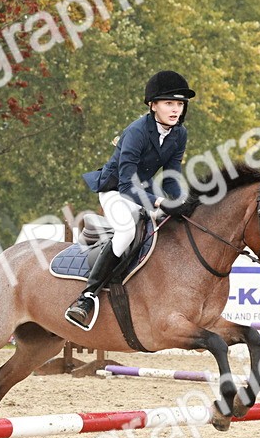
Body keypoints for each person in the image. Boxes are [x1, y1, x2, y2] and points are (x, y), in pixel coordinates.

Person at [65, 70, 195, 329]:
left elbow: (170, 176)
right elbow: (126, 185)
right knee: (125, 231)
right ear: (153, 105)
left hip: (145, 191)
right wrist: (159, 203)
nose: (175, 110)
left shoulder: (179, 134)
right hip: (116, 191)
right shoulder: (136, 132)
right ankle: (87, 297)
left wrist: (184, 198)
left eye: (179, 104)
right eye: (169, 103)